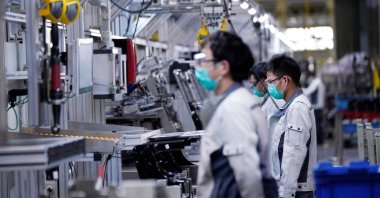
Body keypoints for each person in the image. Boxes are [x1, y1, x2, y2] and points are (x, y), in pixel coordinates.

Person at [195, 31, 272, 198]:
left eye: (204, 61)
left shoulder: (233, 108)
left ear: (223, 67)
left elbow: (248, 174)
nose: (199, 67)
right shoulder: (239, 100)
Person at [266, 54, 317, 198]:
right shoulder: (292, 106)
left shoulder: (297, 108)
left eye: (271, 82)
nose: (269, 86)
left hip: (298, 192)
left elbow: (293, 155)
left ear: (285, 80)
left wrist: (285, 194)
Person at [250, 62, 285, 131]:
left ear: (263, 81)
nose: (252, 87)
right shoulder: (266, 100)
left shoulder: (275, 103)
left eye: (253, 83)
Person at [303, 72, 325, 144]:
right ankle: (320, 140)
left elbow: (308, 92)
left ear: (312, 77)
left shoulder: (316, 82)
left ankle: (318, 140)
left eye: (309, 78)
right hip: (319, 106)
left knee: (316, 125)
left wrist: (298, 90)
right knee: (318, 124)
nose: (309, 80)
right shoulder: (320, 83)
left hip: (316, 107)